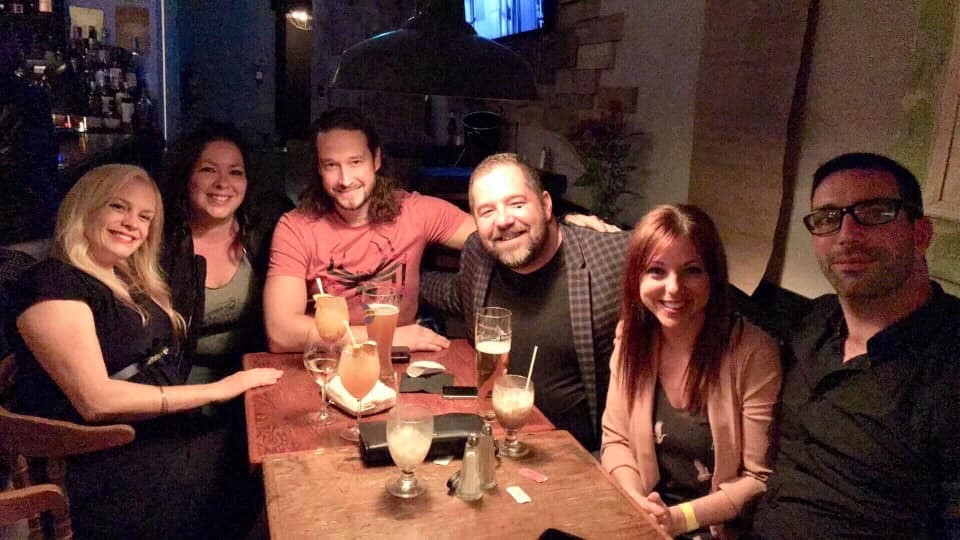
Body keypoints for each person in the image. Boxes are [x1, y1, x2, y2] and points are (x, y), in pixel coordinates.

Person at [7, 164, 282, 538]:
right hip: (107, 459)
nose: (131, 224)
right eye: (118, 206)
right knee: (267, 471)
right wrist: (219, 389)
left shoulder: (122, 275)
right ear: (86, 206)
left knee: (269, 447)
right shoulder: (53, 283)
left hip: (159, 435)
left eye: (144, 216)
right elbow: (96, 401)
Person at [264, 108, 616, 354]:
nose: (344, 179)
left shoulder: (414, 210)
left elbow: (497, 232)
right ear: (318, 168)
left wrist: (563, 224)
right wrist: (385, 338)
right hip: (327, 362)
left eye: (355, 162)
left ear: (376, 160)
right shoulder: (295, 227)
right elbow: (281, 333)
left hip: (404, 363)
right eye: (331, 165)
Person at [752, 153, 960, 539]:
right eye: (828, 218)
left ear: (921, 234)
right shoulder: (811, 324)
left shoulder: (948, 363)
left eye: (875, 212)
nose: (847, 234)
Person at [420, 153, 628, 451]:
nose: (503, 221)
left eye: (517, 204)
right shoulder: (478, 253)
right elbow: (452, 293)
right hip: (496, 441)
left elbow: (679, 250)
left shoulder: (610, 258)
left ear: (546, 205)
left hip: (581, 455)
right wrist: (395, 283)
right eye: (487, 211)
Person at [600, 204, 782, 538]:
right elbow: (615, 440)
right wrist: (637, 502)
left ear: (713, 276)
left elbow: (758, 479)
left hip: (712, 526)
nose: (674, 288)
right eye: (656, 271)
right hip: (645, 515)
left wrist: (677, 518)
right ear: (636, 277)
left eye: (692, 271)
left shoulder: (754, 352)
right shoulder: (632, 339)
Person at [161, 121, 293, 387]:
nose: (223, 183)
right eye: (208, 170)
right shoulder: (161, 242)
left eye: (235, 172)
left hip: (257, 378)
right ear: (186, 176)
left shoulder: (265, 231)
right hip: (180, 388)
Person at [0, 26, 60, 245]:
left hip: (24, 209)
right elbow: (46, 155)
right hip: (31, 210)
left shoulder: (29, 95)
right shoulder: (31, 94)